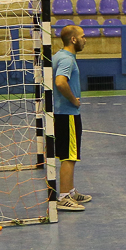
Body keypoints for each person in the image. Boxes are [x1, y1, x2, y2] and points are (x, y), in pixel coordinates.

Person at [51, 24, 90, 211]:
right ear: (73, 39)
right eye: (82, 37)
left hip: (61, 113)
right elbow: (60, 82)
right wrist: (74, 100)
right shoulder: (67, 59)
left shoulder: (59, 56)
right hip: (67, 113)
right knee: (69, 156)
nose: (85, 40)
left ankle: (71, 191)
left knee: (69, 154)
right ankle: (64, 196)